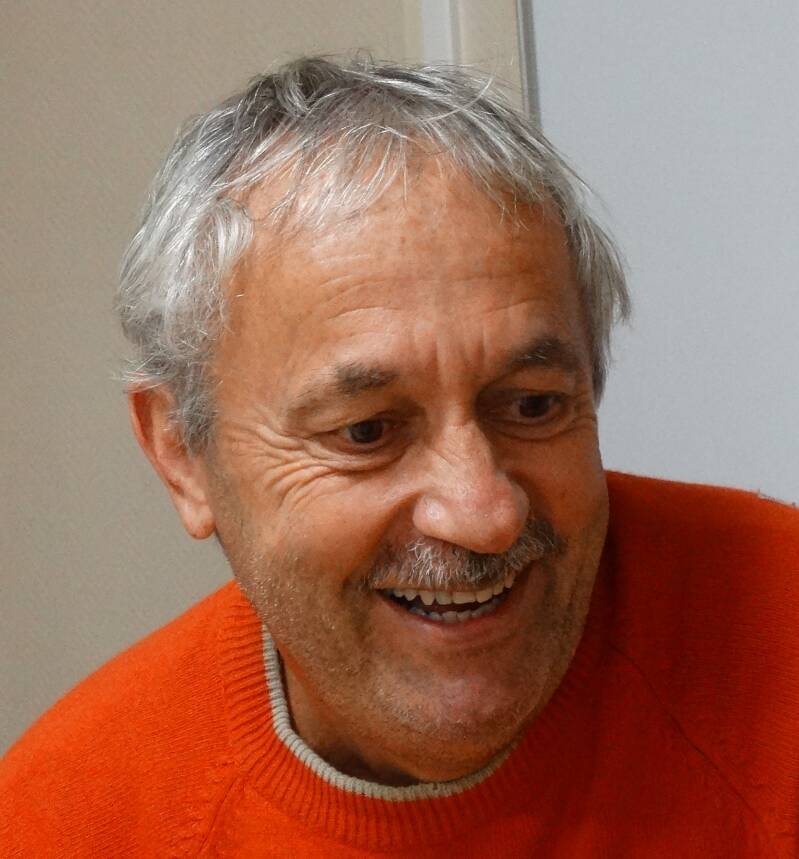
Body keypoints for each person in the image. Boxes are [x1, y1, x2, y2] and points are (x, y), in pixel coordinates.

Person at [1, 55, 797, 858]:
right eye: (366, 431)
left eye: (531, 405)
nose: (482, 513)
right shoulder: (63, 825)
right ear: (182, 454)